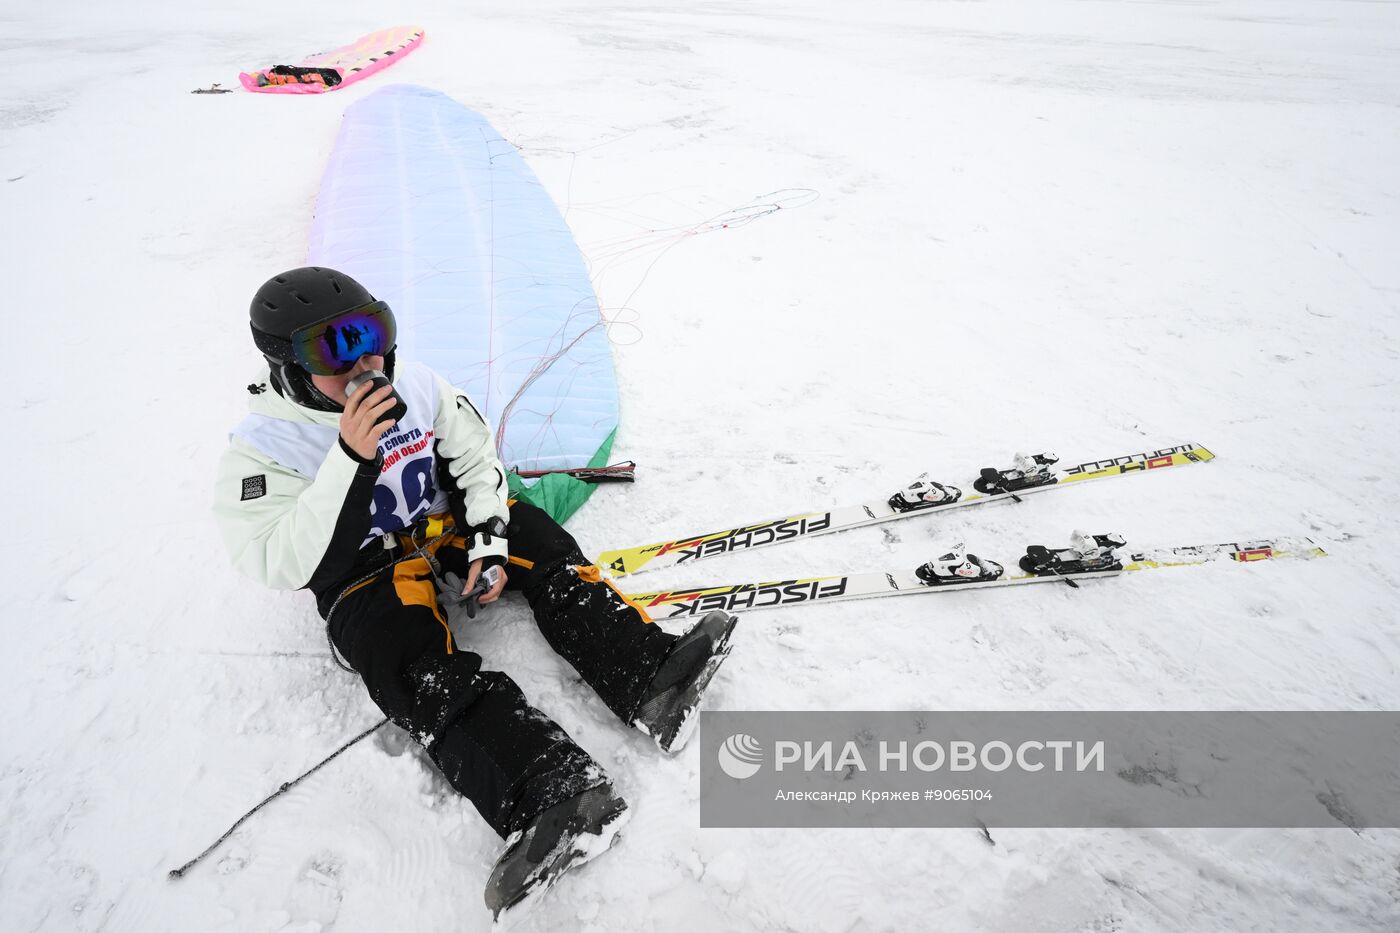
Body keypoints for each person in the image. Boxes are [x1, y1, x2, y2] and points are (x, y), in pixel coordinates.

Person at [213, 267, 737, 918]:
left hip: (440, 524)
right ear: (287, 363)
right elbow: (279, 556)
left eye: (373, 334)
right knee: (404, 658)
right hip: (363, 566)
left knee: (534, 537)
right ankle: (553, 791)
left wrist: (488, 533)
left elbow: (470, 449)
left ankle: (653, 676)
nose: (364, 362)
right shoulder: (265, 448)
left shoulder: (415, 384)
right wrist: (351, 457)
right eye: (334, 349)